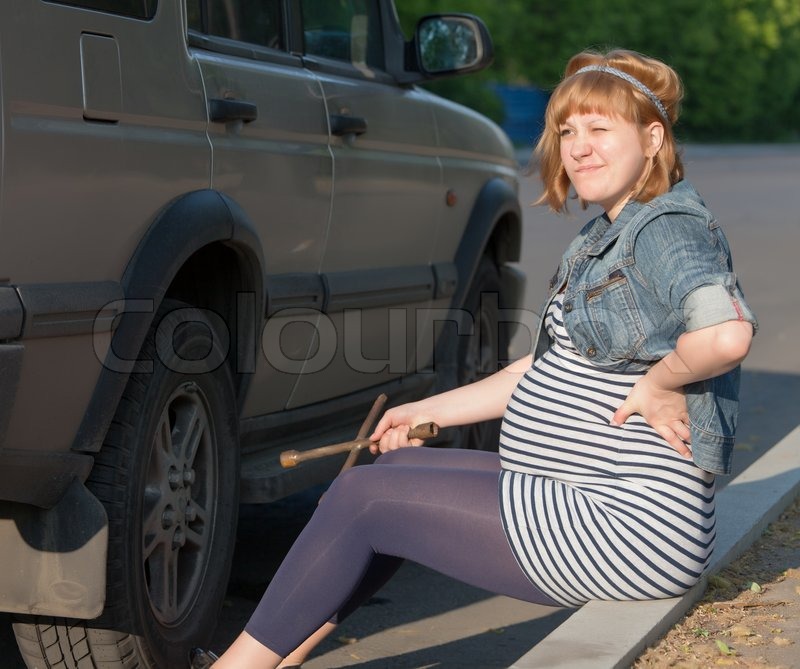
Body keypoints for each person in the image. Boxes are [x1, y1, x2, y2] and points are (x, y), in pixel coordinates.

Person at [190, 48, 757, 669]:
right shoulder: (611, 232)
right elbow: (536, 374)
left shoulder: (667, 228)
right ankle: (273, 660)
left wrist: (662, 379)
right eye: (567, 131)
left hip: (627, 529)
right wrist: (419, 410)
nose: (578, 147)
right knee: (374, 483)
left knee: (367, 504)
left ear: (653, 139)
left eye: (600, 129)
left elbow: (726, 335)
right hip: (582, 498)